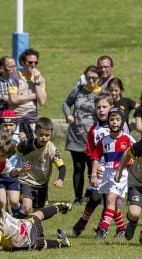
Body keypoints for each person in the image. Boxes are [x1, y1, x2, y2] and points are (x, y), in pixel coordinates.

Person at [0, 196, 71, 255]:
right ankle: (60, 207)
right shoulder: (0, 211)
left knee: (39, 244)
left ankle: (63, 243)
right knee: (37, 215)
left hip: (32, 243)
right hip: (29, 225)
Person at [91, 108, 135, 239]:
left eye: (117, 119)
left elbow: (138, 153)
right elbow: (95, 158)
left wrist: (132, 163)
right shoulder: (104, 141)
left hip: (121, 173)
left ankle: (102, 229)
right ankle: (121, 229)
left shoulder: (128, 139)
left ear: (122, 122)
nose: (114, 122)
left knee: (110, 199)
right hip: (106, 173)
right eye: (111, 119)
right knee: (112, 203)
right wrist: (93, 175)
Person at [72, 93, 113, 236]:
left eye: (104, 107)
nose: (101, 110)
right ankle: (83, 221)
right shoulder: (93, 130)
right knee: (95, 197)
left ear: (111, 107)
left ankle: (102, 229)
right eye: (98, 107)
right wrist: (95, 171)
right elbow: (90, 153)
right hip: (99, 169)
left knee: (109, 200)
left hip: (115, 170)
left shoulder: (120, 126)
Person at [63, 65, 102, 206]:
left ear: (99, 78)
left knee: (93, 168)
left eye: (94, 78)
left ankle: (92, 196)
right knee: (78, 167)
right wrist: (68, 116)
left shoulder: (102, 93)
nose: (91, 81)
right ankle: (78, 198)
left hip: (93, 138)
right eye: (88, 78)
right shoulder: (78, 90)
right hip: (76, 136)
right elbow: (66, 104)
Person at [15, 117, 66, 216]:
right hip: (27, 181)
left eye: (47, 135)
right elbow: (11, 152)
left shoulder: (51, 148)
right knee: (26, 208)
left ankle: (32, 230)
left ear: (51, 134)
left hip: (42, 183)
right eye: (41, 135)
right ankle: (16, 228)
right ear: (35, 133)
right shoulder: (27, 145)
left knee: (37, 214)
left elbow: (62, 167)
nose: (44, 138)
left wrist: (60, 179)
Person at [0, 110, 24, 216]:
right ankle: (6, 223)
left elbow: (28, 155)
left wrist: (25, 142)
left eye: (11, 125)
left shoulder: (20, 138)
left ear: (16, 125)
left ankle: (20, 218)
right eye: (5, 125)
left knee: (15, 202)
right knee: (2, 203)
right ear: (1, 125)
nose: (8, 128)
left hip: (13, 173)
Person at [8, 48, 46, 140]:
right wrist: (33, 96)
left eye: (35, 63)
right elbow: (13, 99)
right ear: (23, 62)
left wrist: (36, 81)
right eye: (30, 62)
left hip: (32, 121)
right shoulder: (14, 76)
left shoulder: (40, 78)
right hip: (16, 121)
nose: (33, 65)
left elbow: (42, 101)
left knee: (31, 151)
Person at [0, 56, 17, 133]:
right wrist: (14, 99)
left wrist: (1, 97)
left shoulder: (18, 81)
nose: (14, 69)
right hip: (0, 122)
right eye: (11, 67)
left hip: (16, 121)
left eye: (15, 66)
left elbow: (18, 100)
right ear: (2, 68)